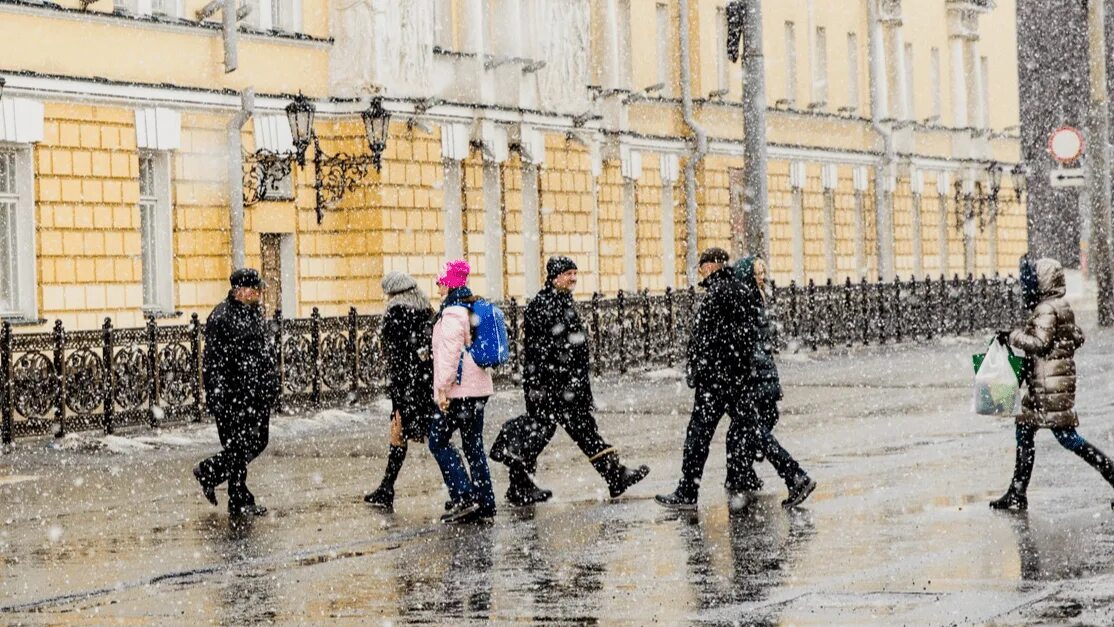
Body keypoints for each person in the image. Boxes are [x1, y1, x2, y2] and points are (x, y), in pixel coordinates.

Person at [656, 248, 816, 511]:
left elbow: (720, 339)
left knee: (699, 435)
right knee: (753, 431)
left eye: (703, 266)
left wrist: (706, 368)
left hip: (719, 382)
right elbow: (739, 336)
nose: (700, 271)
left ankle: (688, 491)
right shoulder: (735, 289)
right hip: (732, 379)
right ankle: (796, 476)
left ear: (712, 266)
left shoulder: (721, 292)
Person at [490, 256, 649, 504]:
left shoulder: (561, 302)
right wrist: (544, 385)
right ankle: (613, 476)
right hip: (555, 386)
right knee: (559, 431)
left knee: (563, 430)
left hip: (564, 385)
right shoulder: (544, 305)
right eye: (568, 274)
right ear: (555, 277)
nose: (573, 278)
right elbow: (539, 351)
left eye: (575, 273)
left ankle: (521, 486)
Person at [990, 256, 1114, 511]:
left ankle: (1112, 474)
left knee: (1067, 437)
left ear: (1043, 282)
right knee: (1024, 428)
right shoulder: (1060, 306)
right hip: (1049, 383)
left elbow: (1040, 343)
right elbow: (1075, 336)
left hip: (1050, 386)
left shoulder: (1047, 308)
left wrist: (1012, 336)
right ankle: (1017, 491)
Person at [193, 268, 279, 517]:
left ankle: (209, 472)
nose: (260, 294)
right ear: (241, 290)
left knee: (256, 442)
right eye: (256, 289)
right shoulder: (222, 317)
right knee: (238, 447)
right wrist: (217, 395)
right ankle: (239, 498)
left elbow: (263, 354)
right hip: (234, 397)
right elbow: (213, 362)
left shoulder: (253, 314)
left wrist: (269, 383)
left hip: (256, 396)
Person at [428, 259, 498, 523]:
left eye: (441, 282)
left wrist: (442, 392)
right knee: (473, 446)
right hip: (477, 390)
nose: (437, 287)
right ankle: (485, 502)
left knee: (438, 441)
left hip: (460, 392)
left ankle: (464, 497)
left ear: (450, 283)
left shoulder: (453, 312)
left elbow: (448, 357)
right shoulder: (469, 306)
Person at [363, 271, 437, 510]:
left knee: (403, 432)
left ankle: (387, 488)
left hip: (406, 384)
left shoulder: (396, 312)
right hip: (426, 382)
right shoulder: (426, 309)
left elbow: (396, 354)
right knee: (431, 435)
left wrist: (399, 388)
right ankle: (386, 486)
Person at [727, 256, 783, 505]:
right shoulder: (747, 299)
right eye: (759, 271)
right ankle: (740, 471)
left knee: (759, 420)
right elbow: (749, 341)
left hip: (762, 370)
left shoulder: (758, 297)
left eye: (764, 270)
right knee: (750, 424)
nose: (763, 275)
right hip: (755, 373)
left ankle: (741, 469)